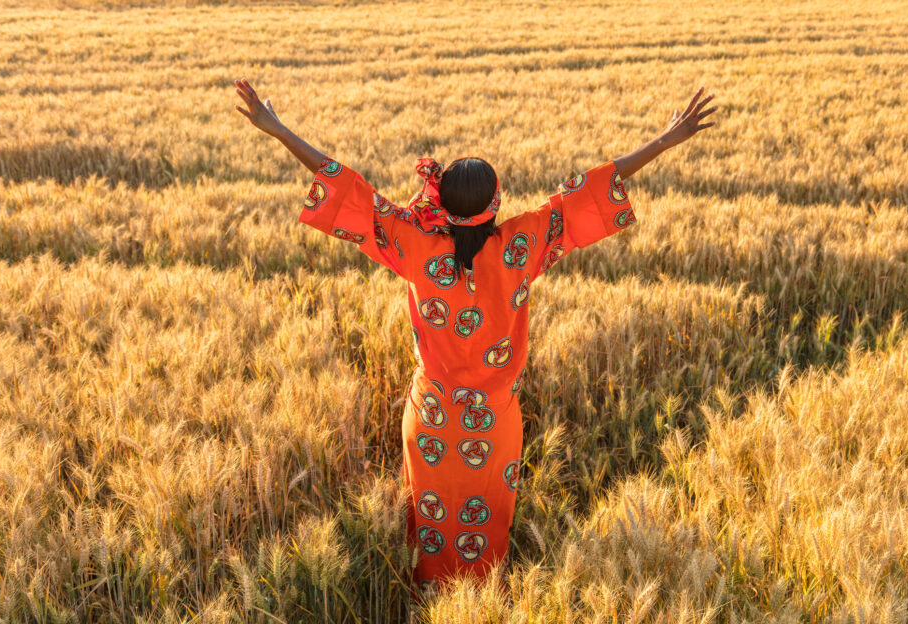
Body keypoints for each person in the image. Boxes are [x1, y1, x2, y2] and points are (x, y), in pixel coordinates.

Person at [233, 78, 717, 595]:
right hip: (494, 426)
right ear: (496, 202)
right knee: (488, 533)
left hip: (434, 420)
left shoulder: (414, 245)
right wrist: (663, 141)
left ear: (443, 201)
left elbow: (349, 189)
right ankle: (484, 604)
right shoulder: (522, 245)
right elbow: (588, 191)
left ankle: (430, 604)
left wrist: (280, 130)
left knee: (431, 531)